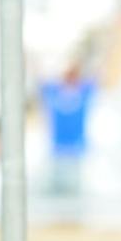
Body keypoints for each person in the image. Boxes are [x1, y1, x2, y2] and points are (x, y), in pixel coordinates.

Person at [39, 61, 96, 196]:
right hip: (57, 151)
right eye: (68, 77)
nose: (70, 81)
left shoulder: (84, 94)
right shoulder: (53, 93)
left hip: (77, 151)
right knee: (56, 191)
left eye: (73, 78)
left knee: (76, 191)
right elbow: (41, 79)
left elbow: (96, 76)